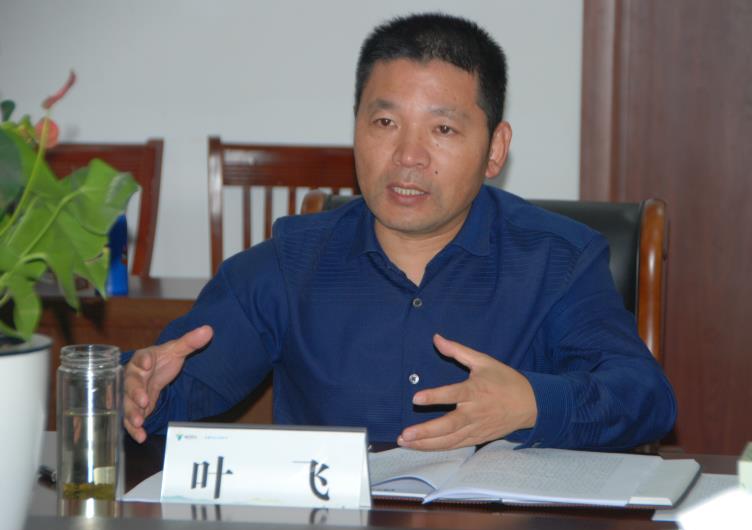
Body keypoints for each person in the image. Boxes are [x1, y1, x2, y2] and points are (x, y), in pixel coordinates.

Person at [124, 13, 676, 451]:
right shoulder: (290, 263)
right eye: (385, 122)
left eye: (443, 129)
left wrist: (532, 403)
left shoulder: (558, 260)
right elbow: (177, 389)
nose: (408, 156)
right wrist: (143, 392)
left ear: (495, 149)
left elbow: (645, 398)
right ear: (356, 129)